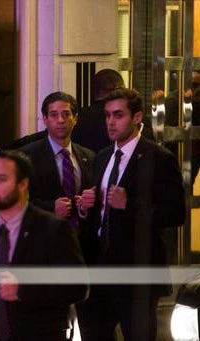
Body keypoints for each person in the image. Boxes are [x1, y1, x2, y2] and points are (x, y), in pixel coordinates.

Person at [76, 88, 185, 340]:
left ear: (136, 118)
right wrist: (85, 206)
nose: (111, 122)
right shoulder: (103, 156)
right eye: (107, 116)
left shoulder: (159, 158)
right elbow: (100, 215)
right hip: (98, 269)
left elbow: (175, 214)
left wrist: (130, 205)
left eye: (118, 115)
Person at [0, 150, 88, 341]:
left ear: (23, 184)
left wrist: (24, 290)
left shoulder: (53, 229)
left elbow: (78, 287)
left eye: (1, 179)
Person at [0, 69, 153, 165]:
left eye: (118, 116)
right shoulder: (139, 125)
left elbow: (36, 140)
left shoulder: (82, 119)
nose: (112, 123)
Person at [19, 91, 96, 261]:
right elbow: (18, 204)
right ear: (45, 119)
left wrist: (84, 208)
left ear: (75, 119)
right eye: (54, 115)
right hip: (42, 246)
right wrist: (51, 209)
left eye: (66, 114)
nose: (60, 120)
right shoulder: (27, 156)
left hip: (81, 247)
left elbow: (92, 200)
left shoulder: (89, 156)